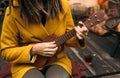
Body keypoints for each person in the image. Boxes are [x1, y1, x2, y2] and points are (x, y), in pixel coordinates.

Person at [0, 0, 88, 78]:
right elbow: (6, 51)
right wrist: (32, 50)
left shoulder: (62, 5)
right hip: (26, 64)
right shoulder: (13, 11)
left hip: (56, 60)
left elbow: (69, 38)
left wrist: (79, 36)